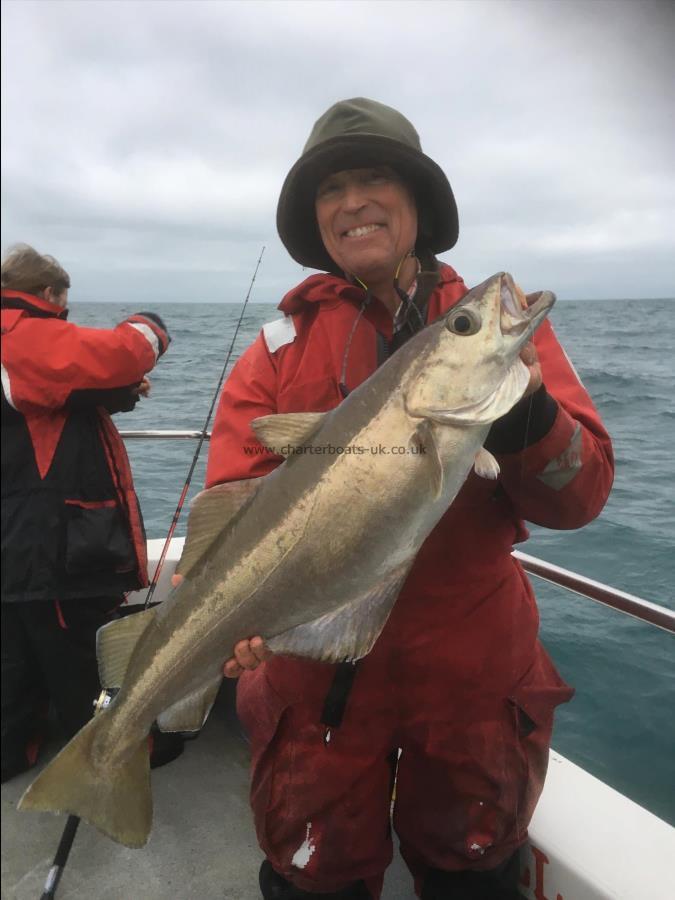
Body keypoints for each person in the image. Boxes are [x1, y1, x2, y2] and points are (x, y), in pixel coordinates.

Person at [206, 99, 614, 899]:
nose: (351, 201)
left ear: (418, 203)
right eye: (330, 190)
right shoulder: (275, 348)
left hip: (471, 678)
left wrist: (526, 410)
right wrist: (236, 618)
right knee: (311, 881)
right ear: (314, 219)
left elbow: (583, 495)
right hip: (311, 685)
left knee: (472, 872)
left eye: (374, 178)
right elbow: (233, 498)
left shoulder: (491, 336)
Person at [1, 243, 178, 782]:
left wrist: (118, 394)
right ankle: (115, 753)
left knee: (15, 652)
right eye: (65, 300)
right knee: (80, 646)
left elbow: (46, 402)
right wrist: (153, 324)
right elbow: (128, 349)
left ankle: (13, 751)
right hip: (49, 539)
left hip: (17, 535)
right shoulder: (20, 333)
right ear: (49, 294)